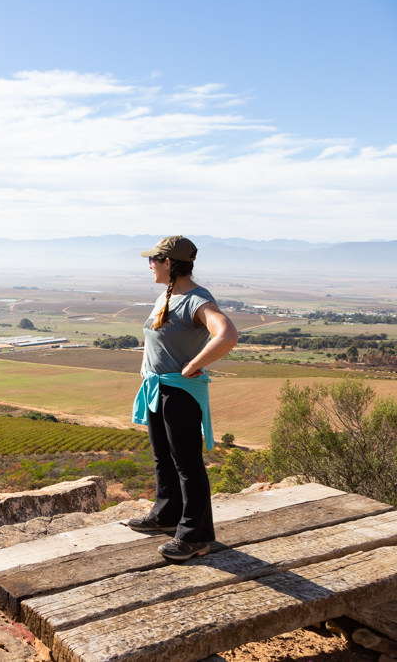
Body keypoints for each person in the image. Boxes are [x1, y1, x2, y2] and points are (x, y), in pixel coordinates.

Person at [129, 235, 238, 561]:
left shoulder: (196, 299)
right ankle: (166, 516)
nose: (149, 264)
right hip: (157, 389)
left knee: (188, 465)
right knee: (164, 457)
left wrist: (193, 365)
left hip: (179, 392)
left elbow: (227, 333)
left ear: (169, 264)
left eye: (154, 260)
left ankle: (196, 536)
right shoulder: (169, 295)